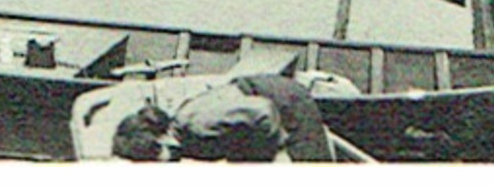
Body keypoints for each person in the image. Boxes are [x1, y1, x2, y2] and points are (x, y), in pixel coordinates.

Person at [109, 74, 330, 163]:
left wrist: (274, 155)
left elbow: (264, 112)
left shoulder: (196, 124)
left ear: (161, 140)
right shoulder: (182, 135)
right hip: (258, 114)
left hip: (286, 107)